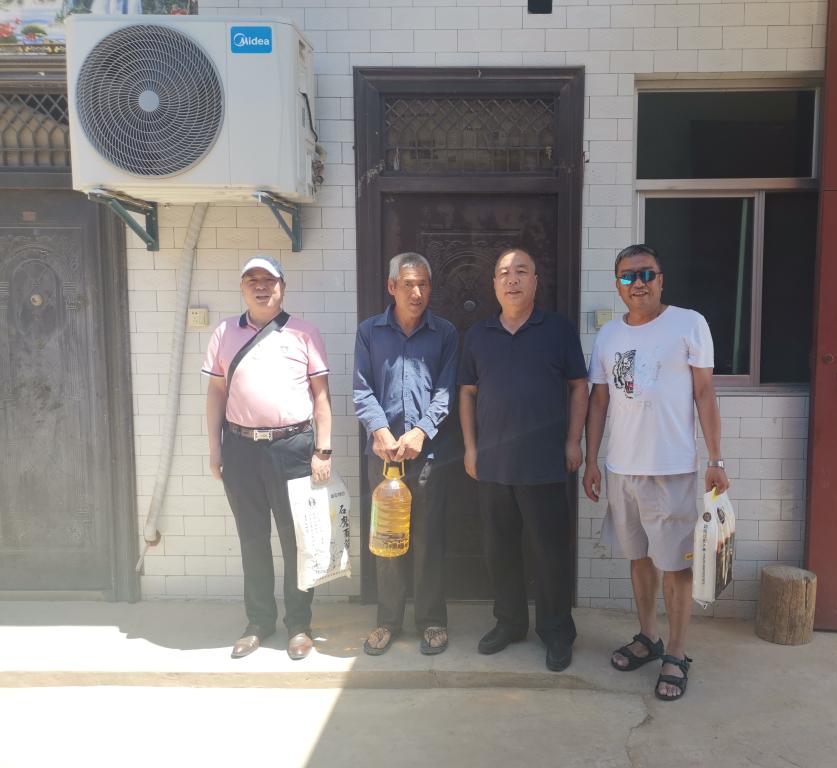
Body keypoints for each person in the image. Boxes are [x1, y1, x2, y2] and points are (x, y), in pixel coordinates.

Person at [583, 243, 729, 701]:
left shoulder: (689, 323)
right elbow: (599, 402)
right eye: (628, 276)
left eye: (646, 274)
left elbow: (704, 393)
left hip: (671, 469)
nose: (638, 283)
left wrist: (716, 459)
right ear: (618, 285)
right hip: (622, 469)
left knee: (676, 566)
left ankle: (677, 653)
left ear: (661, 280)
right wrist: (591, 460)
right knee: (639, 558)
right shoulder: (608, 336)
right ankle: (649, 636)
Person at [459, 248, 588, 672]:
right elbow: (467, 393)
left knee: (551, 553)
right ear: (494, 285)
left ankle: (556, 630)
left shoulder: (558, 330)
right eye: (503, 273)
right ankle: (510, 623)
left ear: (535, 281)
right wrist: (471, 447)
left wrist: (574, 441)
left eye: (520, 272)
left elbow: (579, 386)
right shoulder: (478, 334)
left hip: (545, 463)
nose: (511, 279)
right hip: (493, 465)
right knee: (499, 550)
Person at [203, 255, 332, 661]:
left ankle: (299, 625)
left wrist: (323, 449)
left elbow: (322, 397)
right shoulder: (224, 332)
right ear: (242, 288)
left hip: (292, 447)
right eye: (252, 280)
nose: (261, 287)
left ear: (282, 287)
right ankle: (258, 622)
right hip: (241, 448)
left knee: (298, 542)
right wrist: (215, 449)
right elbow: (216, 394)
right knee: (252, 539)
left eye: (269, 280)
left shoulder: (304, 333)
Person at [353, 252, 459, 656]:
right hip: (382, 456)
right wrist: (380, 431)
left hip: (427, 455)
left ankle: (431, 621)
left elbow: (446, 389)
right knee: (387, 539)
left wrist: (421, 431)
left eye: (423, 285)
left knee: (429, 539)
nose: (417, 293)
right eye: (409, 284)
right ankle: (387, 621)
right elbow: (362, 388)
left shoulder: (445, 332)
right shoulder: (369, 332)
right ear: (392, 287)